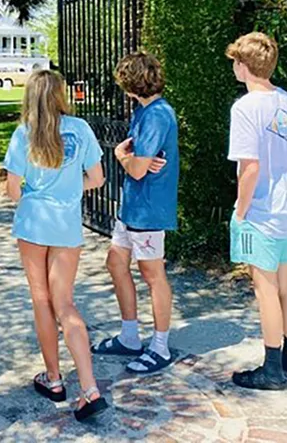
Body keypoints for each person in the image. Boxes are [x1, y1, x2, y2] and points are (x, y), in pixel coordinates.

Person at [3, 70, 110, 422]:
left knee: (41, 299)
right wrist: (68, 188)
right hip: (66, 225)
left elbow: (13, 189)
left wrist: (39, 192)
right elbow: (97, 178)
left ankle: (53, 379)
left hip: (33, 222)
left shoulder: (24, 133)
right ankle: (90, 388)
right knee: (65, 303)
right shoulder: (80, 130)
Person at [225, 33, 287, 391]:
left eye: (235, 61)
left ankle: (272, 369)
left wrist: (241, 210)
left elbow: (250, 168)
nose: (234, 66)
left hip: (262, 210)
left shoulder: (245, 108)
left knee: (265, 289)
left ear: (244, 67)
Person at [92, 52, 179, 374]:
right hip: (133, 207)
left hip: (149, 209)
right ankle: (130, 337)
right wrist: (132, 160)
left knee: (152, 274)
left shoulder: (157, 115)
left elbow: (139, 168)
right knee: (116, 263)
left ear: (130, 86)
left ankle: (160, 346)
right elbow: (139, 161)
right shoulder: (144, 111)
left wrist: (120, 156)